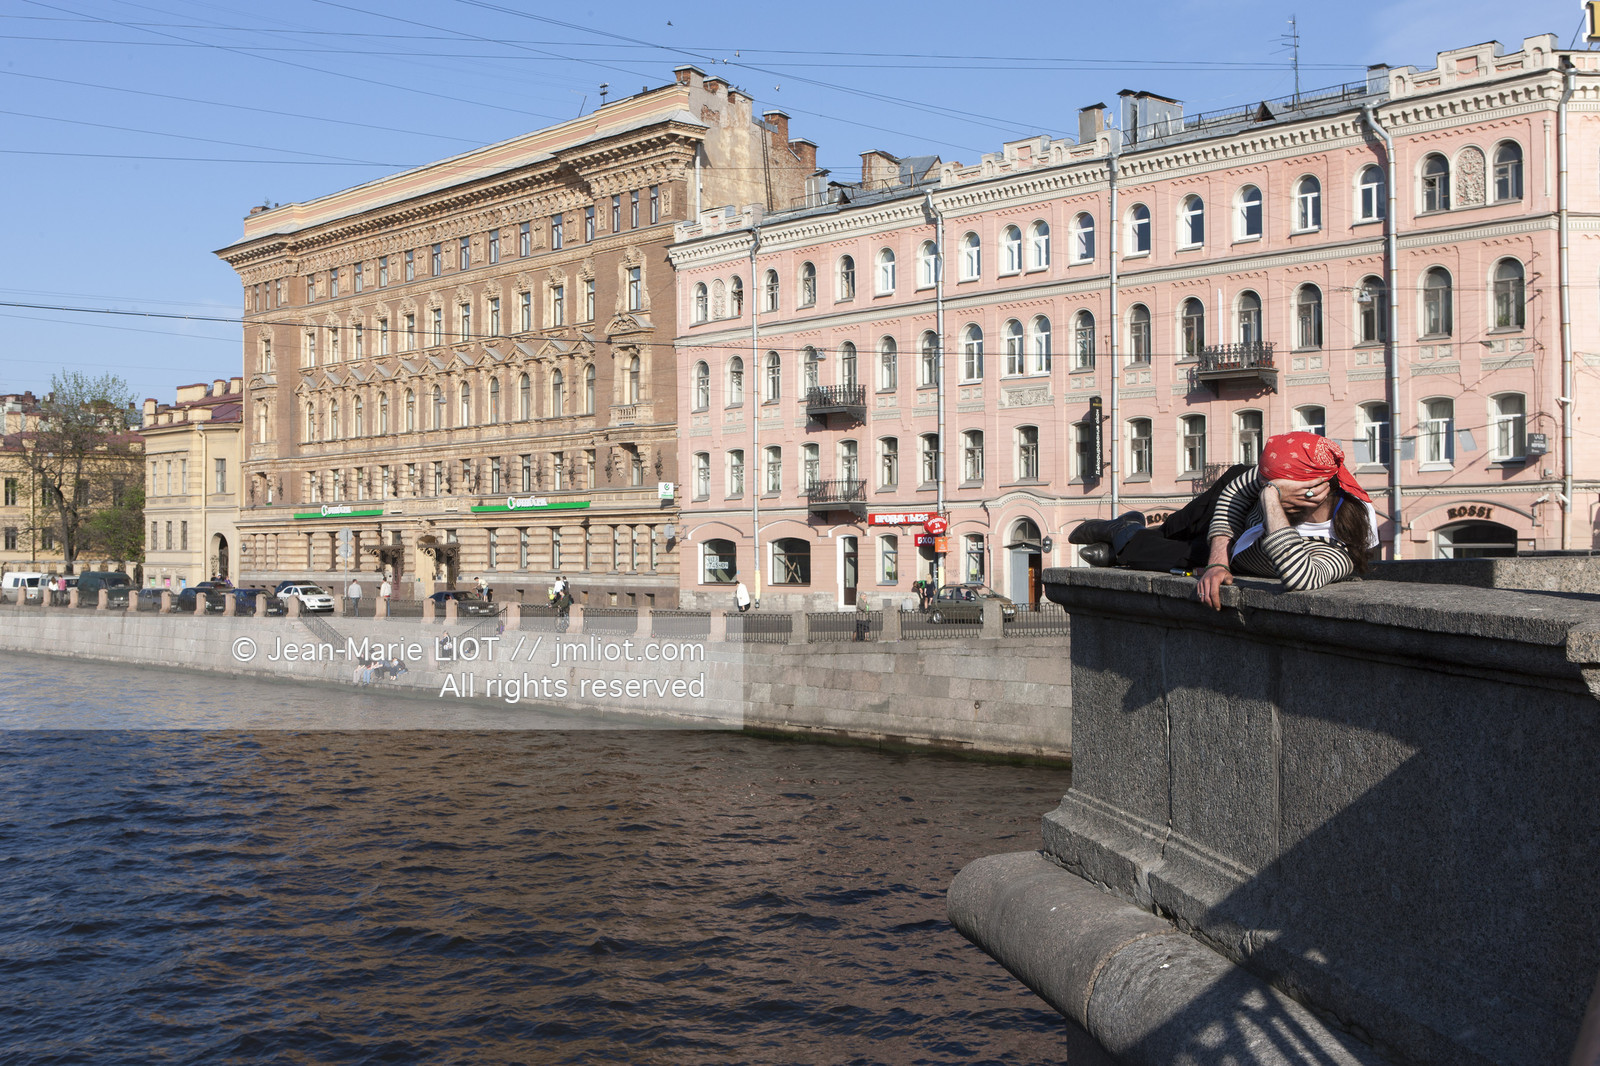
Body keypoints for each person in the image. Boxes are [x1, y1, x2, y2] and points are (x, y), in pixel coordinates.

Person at [1070, 432, 1378, 610]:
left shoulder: (1343, 546)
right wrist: (1219, 559)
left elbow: (1300, 576)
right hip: (1229, 531)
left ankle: (1124, 531)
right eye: (1266, 482)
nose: (1266, 485)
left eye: (1275, 485)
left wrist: (1270, 499)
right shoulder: (1285, 474)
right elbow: (1236, 490)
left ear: (1315, 491)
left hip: (1243, 557)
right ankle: (1137, 530)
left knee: (1143, 554)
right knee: (1179, 524)